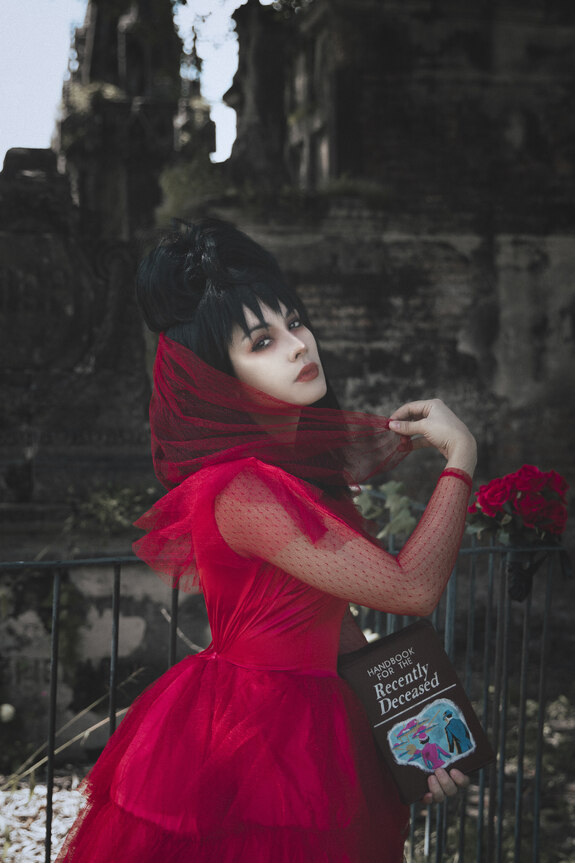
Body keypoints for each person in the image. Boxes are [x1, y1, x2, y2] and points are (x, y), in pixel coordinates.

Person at [57, 218, 476, 863]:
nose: (298, 345)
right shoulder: (244, 489)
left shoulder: (289, 476)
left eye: (295, 322)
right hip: (254, 733)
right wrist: (461, 456)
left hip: (316, 719)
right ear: (217, 375)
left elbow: (337, 631)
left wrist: (415, 741)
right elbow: (411, 589)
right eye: (262, 341)